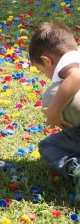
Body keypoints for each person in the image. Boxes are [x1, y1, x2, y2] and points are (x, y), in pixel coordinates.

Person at [30, 22, 80, 203]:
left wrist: (54, 110)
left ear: (47, 60)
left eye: (41, 69)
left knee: (48, 146)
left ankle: (77, 169)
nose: (45, 74)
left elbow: (76, 76)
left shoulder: (68, 64)